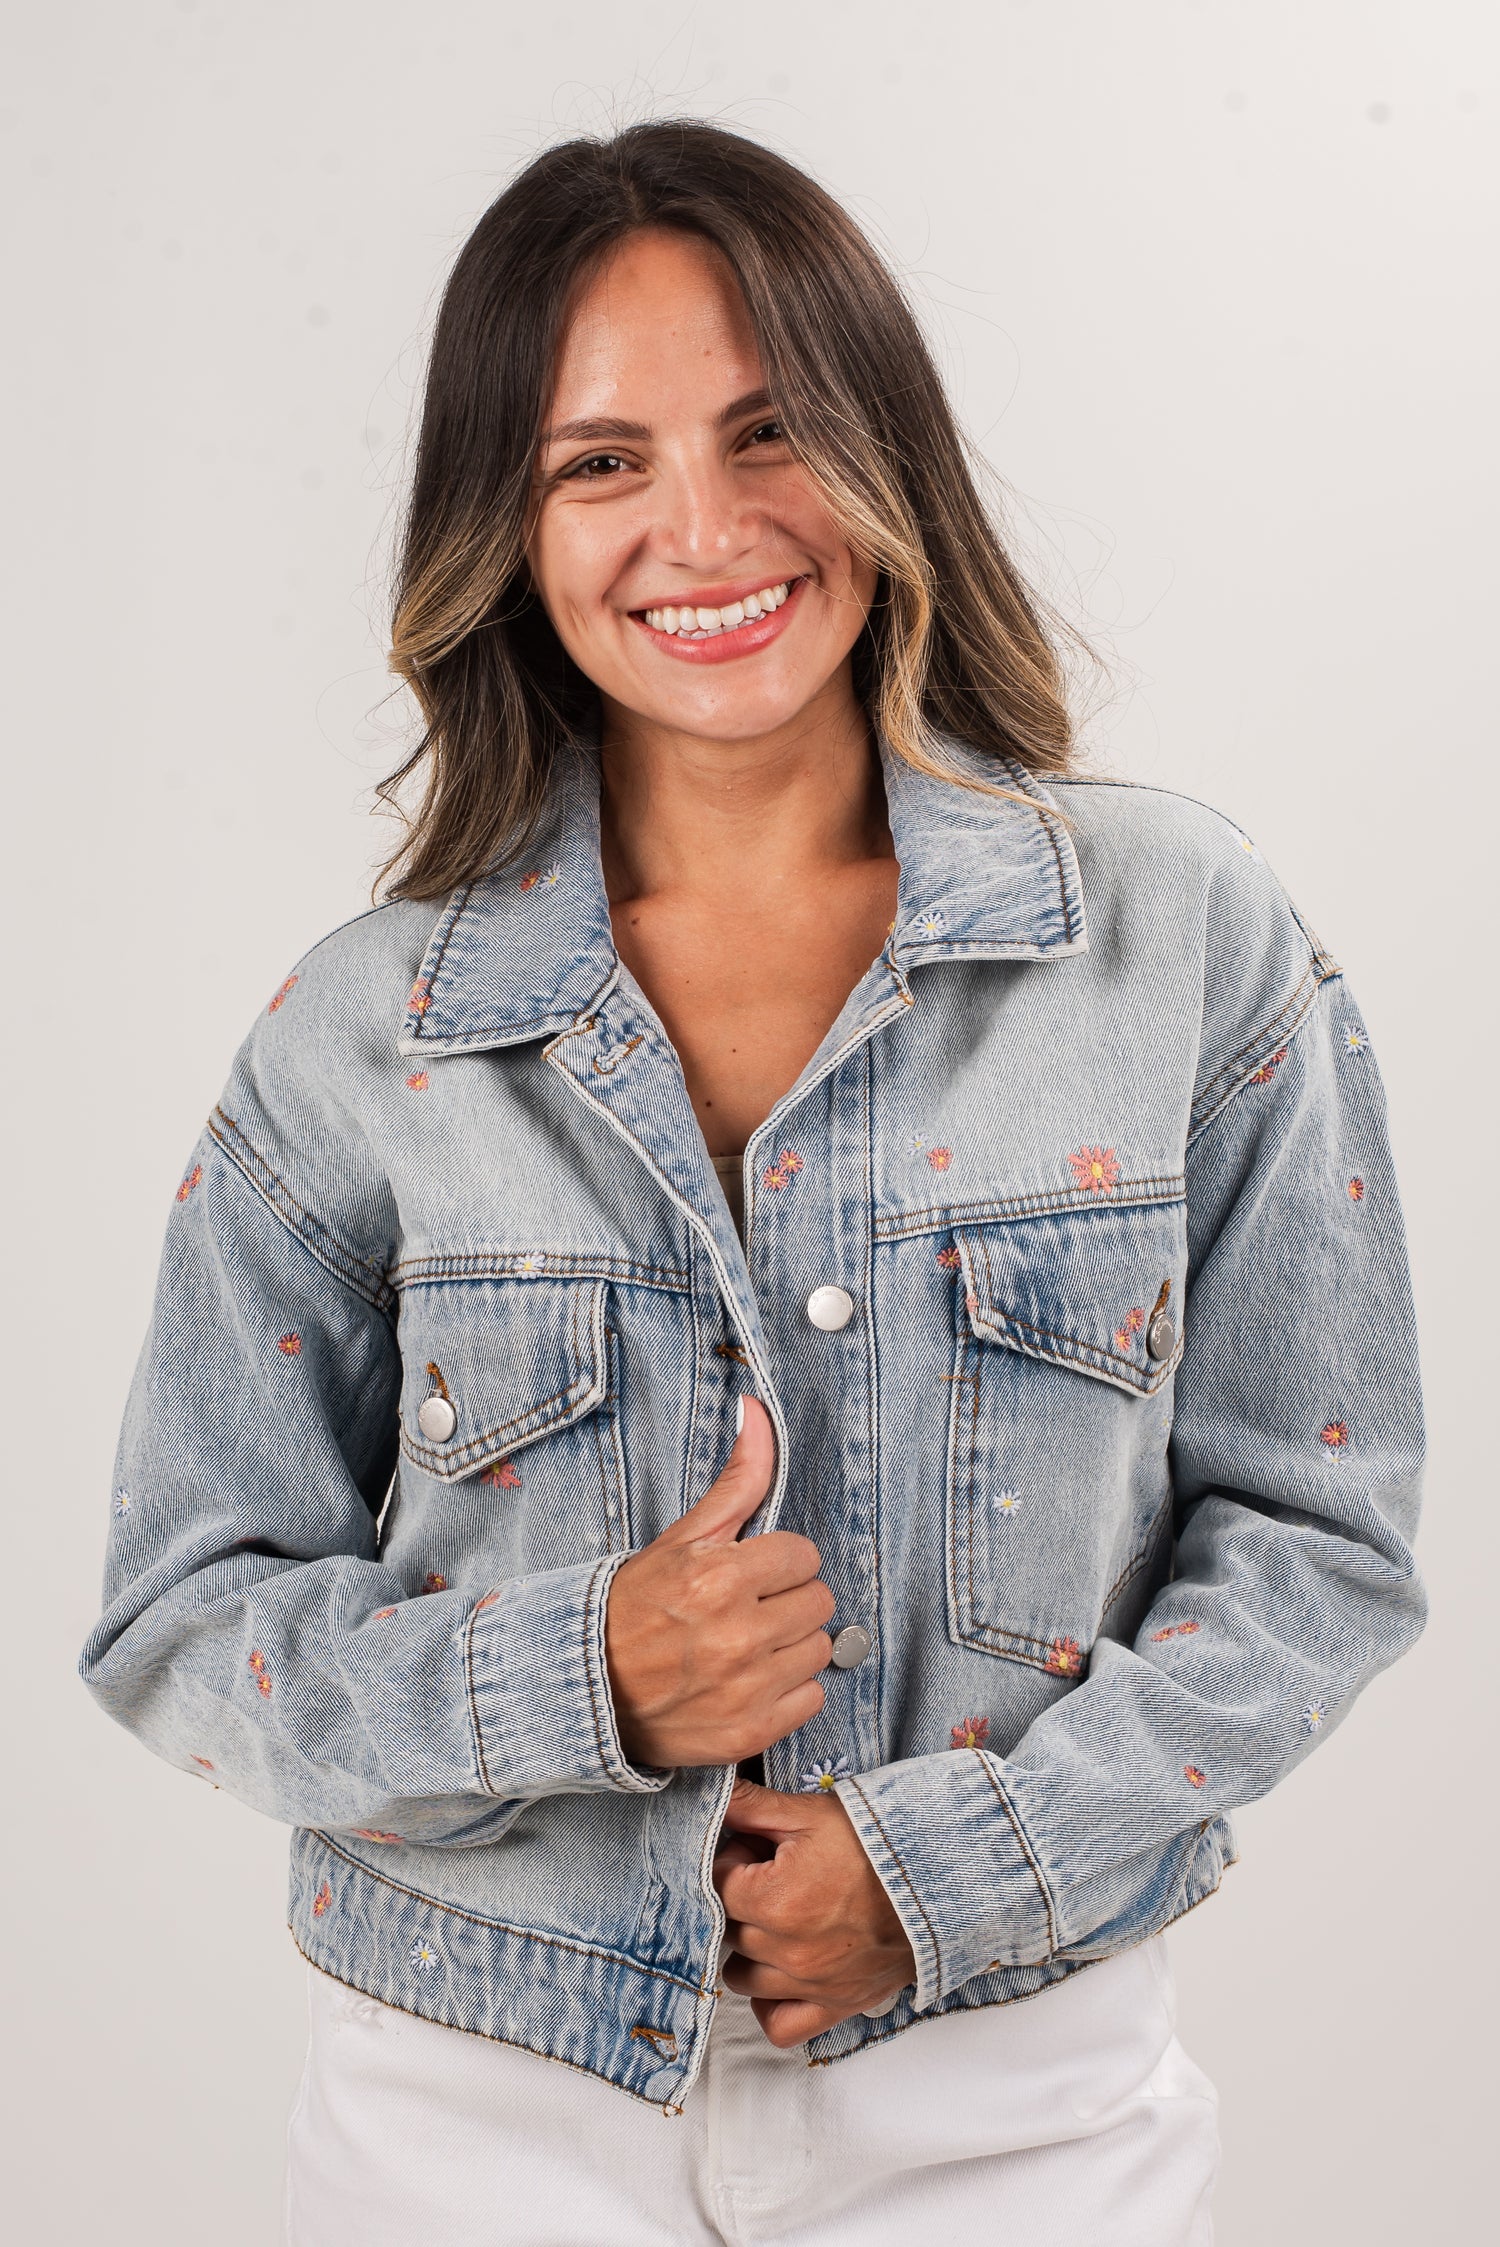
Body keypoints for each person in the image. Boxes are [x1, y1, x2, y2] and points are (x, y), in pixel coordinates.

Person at [78, 120, 1426, 2245]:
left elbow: (1322, 1541)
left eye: (769, 428)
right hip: (471, 2119)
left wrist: (960, 1869)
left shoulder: (1179, 940)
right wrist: (581, 1674)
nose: (702, 530)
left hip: (1020, 2117)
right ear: (509, 528)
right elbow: (180, 1621)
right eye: (600, 461)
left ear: (883, 451)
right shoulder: (364, 1036)